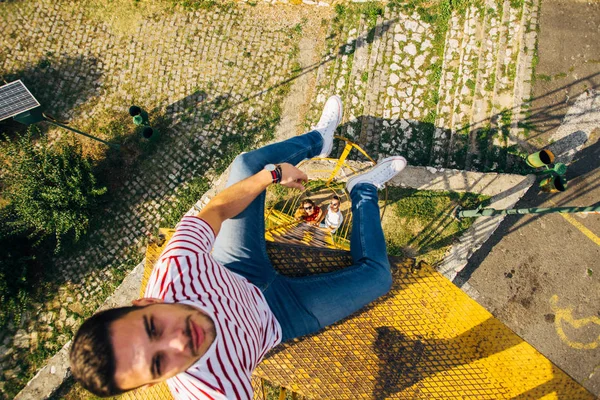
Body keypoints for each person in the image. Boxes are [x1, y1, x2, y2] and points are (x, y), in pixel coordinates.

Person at [69, 95, 407, 399]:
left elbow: (215, 210)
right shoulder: (214, 391)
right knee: (378, 278)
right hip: (281, 317)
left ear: (147, 301)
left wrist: (273, 176)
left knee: (246, 165)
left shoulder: (176, 269)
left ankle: (319, 141)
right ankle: (362, 189)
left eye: (154, 327)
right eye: (159, 363)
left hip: (238, 267)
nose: (179, 341)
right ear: (151, 385)